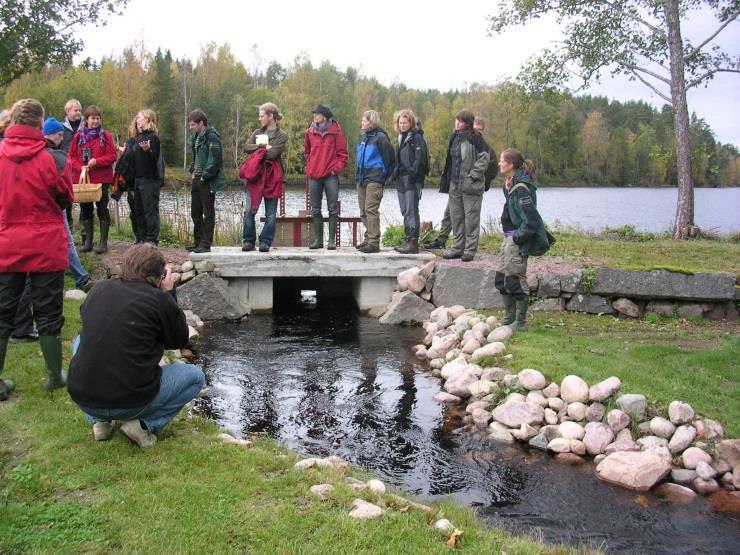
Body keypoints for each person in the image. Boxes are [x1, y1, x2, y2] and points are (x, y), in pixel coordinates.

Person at [67, 243, 205, 446]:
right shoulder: (159, 299)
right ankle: (144, 425)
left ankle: (100, 422)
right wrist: (168, 294)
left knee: (81, 339)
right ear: (159, 276)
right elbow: (178, 339)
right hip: (131, 401)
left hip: (84, 398)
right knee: (194, 377)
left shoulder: (99, 289)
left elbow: (91, 323)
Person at [0, 99, 74, 401]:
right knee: (48, 311)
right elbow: (66, 197)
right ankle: (54, 376)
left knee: (2, 313)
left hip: (6, 243)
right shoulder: (54, 160)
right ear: (39, 125)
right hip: (46, 245)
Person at [495, 148, 549, 331]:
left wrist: (518, 238)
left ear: (511, 165)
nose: (499, 163)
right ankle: (509, 317)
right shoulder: (511, 184)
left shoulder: (522, 188)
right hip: (508, 238)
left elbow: (531, 221)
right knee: (501, 280)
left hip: (516, 240)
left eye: (502, 161)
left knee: (515, 281)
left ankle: (521, 322)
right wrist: (507, 188)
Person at [425, 116, 497, 249]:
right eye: (475, 128)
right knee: (451, 213)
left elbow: (492, 169)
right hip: (457, 185)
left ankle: (466, 246)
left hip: (473, 186)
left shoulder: (484, 146)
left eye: (480, 129)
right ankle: (442, 239)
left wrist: (478, 181)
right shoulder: (458, 140)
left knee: (470, 218)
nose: (477, 131)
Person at [439, 110, 490, 262]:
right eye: (456, 120)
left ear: (468, 123)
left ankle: (470, 250)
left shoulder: (476, 138)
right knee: (456, 217)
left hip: (470, 185)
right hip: (454, 184)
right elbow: (451, 161)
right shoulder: (454, 137)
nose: (457, 123)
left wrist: (473, 175)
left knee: (471, 218)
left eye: (460, 121)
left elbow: (485, 158)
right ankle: (457, 248)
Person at [68, 105, 117, 254]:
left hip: (101, 178)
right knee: (86, 210)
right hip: (84, 178)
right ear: (87, 119)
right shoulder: (78, 136)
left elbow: (112, 156)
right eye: (92, 118)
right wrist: (80, 167)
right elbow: (71, 156)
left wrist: (97, 161)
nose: (95, 121)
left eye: (97, 118)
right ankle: (88, 243)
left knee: (102, 208)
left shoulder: (105, 136)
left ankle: (103, 243)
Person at [242, 102, 288, 252]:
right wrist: (262, 147)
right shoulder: (257, 132)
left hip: (272, 178)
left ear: (271, 116)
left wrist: (258, 151)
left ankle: (265, 241)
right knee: (249, 210)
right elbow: (246, 147)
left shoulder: (282, 135)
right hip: (255, 176)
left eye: (262, 116)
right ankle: (248, 241)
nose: (260, 119)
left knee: (270, 213)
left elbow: (273, 154)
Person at [304, 104, 348, 250]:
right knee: (315, 209)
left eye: (318, 114)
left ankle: (331, 241)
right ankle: (318, 240)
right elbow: (307, 152)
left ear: (325, 116)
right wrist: (310, 166)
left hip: (330, 175)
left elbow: (343, 154)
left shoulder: (336, 131)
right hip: (314, 175)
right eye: (314, 114)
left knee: (332, 208)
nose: (315, 116)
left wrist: (336, 169)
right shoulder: (309, 131)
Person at [355, 110, 394, 253]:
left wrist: (383, 176)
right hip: (361, 177)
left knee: (371, 210)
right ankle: (368, 238)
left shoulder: (381, 137)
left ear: (371, 122)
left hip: (375, 178)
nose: (362, 123)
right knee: (363, 211)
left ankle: (374, 242)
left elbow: (390, 159)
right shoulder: (362, 136)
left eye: (364, 120)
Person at [187, 109, 226, 253]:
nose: (190, 128)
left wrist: (205, 176)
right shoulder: (197, 136)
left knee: (208, 213)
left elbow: (215, 159)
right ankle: (197, 242)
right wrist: (193, 171)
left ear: (201, 123)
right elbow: (197, 156)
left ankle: (205, 244)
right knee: (195, 212)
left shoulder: (212, 137)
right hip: (197, 177)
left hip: (207, 179)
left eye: (192, 125)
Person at [393, 109, 428, 254]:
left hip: (412, 179)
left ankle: (413, 243)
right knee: (404, 210)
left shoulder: (417, 137)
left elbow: (421, 158)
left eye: (405, 122)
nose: (402, 125)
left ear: (410, 122)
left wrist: (414, 174)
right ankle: (408, 239)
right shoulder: (400, 138)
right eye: (400, 122)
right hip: (400, 178)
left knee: (411, 209)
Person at [129, 109, 162, 245]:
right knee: (138, 211)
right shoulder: (138, 138)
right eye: (137, 118)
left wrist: (148, 151)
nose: (137, 120)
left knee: (150, 211)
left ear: (148, 120)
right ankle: (141, 238)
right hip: (138, 179)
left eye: (140, 118)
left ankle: (152, 239)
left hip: (150, 180)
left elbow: (154, 160)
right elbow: (136, 159)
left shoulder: (153, 138)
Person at [60, 98, 82, 229]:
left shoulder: (86, 126)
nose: (79, 112)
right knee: (66, 200)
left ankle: (86, 235)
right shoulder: (62, 128)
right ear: (68, 112)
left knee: (85, 201)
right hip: (66, 168)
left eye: (80, 110)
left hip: (82, 168)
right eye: (76, 110)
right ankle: (69, 231)